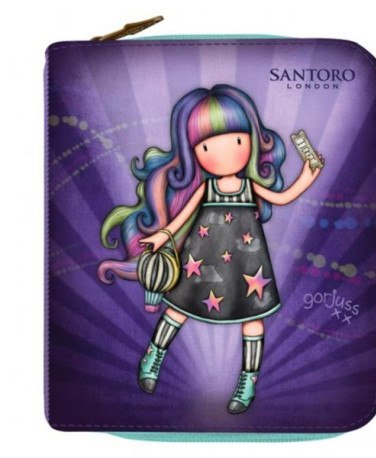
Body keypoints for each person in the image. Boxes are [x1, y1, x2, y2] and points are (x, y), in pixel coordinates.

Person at [98, 84, 322, 414]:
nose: (225, 151)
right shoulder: (206, 187)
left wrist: (307, 176)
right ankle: (153, 356)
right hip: (200, 260)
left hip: (247, 266)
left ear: (250, 140)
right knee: (178, 308)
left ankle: (248, 380)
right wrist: (163, 235)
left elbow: (283, 196)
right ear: (195, 152)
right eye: (206, 146)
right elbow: (183, 217)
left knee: (253, 319)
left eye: (237, 140)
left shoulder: (250, 186)